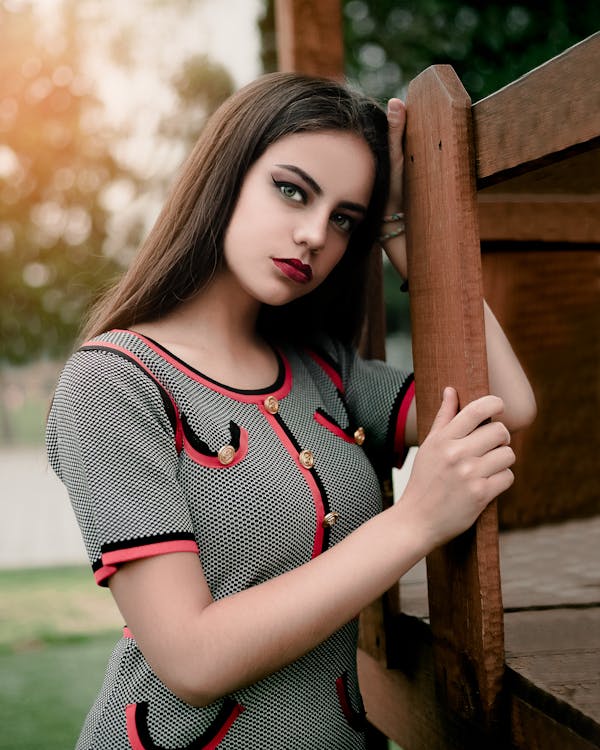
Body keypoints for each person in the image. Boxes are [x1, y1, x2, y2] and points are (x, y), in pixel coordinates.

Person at [46, 71, 536, 750]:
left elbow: (504, 404)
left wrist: (404, 225)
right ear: (227, 177)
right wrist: (416, 521)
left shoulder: (324, 371)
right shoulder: (113, 382)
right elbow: (191, 660)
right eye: (291, 190)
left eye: (344, 219)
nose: (313, 234)